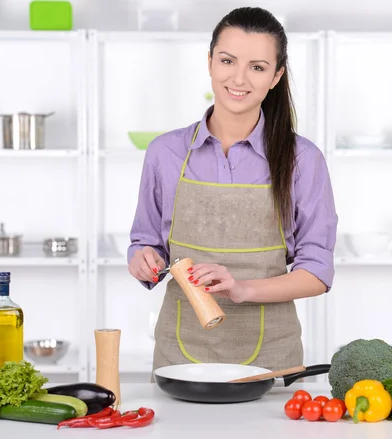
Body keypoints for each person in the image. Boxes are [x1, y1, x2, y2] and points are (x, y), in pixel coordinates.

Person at [127, 6, 338, 375]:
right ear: (210, 62)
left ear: (276, 76)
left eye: (257, 67)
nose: (239, 78)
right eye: (227, 61)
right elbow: (145, 243)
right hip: (180, 356)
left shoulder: (303, 159)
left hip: (272, 360)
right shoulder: (165, 152)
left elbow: (317, 272)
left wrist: (241, 289)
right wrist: (142, 259)